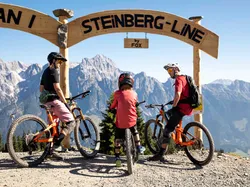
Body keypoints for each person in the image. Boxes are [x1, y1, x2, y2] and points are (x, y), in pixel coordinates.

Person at [148, 63, 193, 161]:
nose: (169, 73)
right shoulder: (185, 78)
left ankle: (160, 153)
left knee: (167, 129)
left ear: (176, 69)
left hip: (182, 108)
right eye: (167, 71)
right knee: (170, 116)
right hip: (188, 106)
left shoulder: (178, 80)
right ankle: (178, 135)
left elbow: (178, 94)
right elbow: (183, 94)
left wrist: (174, 106)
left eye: (170, 70)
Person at [39, 52, 76, 159]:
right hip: (55, 102)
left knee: (53, 127)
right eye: (59, 61)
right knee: (72, 122)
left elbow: (41, 89)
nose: (60, 64)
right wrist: (64, 102)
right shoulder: (54, 71)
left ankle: (50, 151)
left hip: (47, 103)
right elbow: (57, 88)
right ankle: (57, 143)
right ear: (53, 60)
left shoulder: (45, 72)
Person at [110, 73, 145, 167]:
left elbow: (113, 105)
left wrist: (112, 108)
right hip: (132, 121)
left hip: (120, 122)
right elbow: (135, 102)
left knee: (117, 138)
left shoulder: (117, 94)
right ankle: (138, 146)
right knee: (135, 131)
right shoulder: (134, 93)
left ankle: (117, 157)